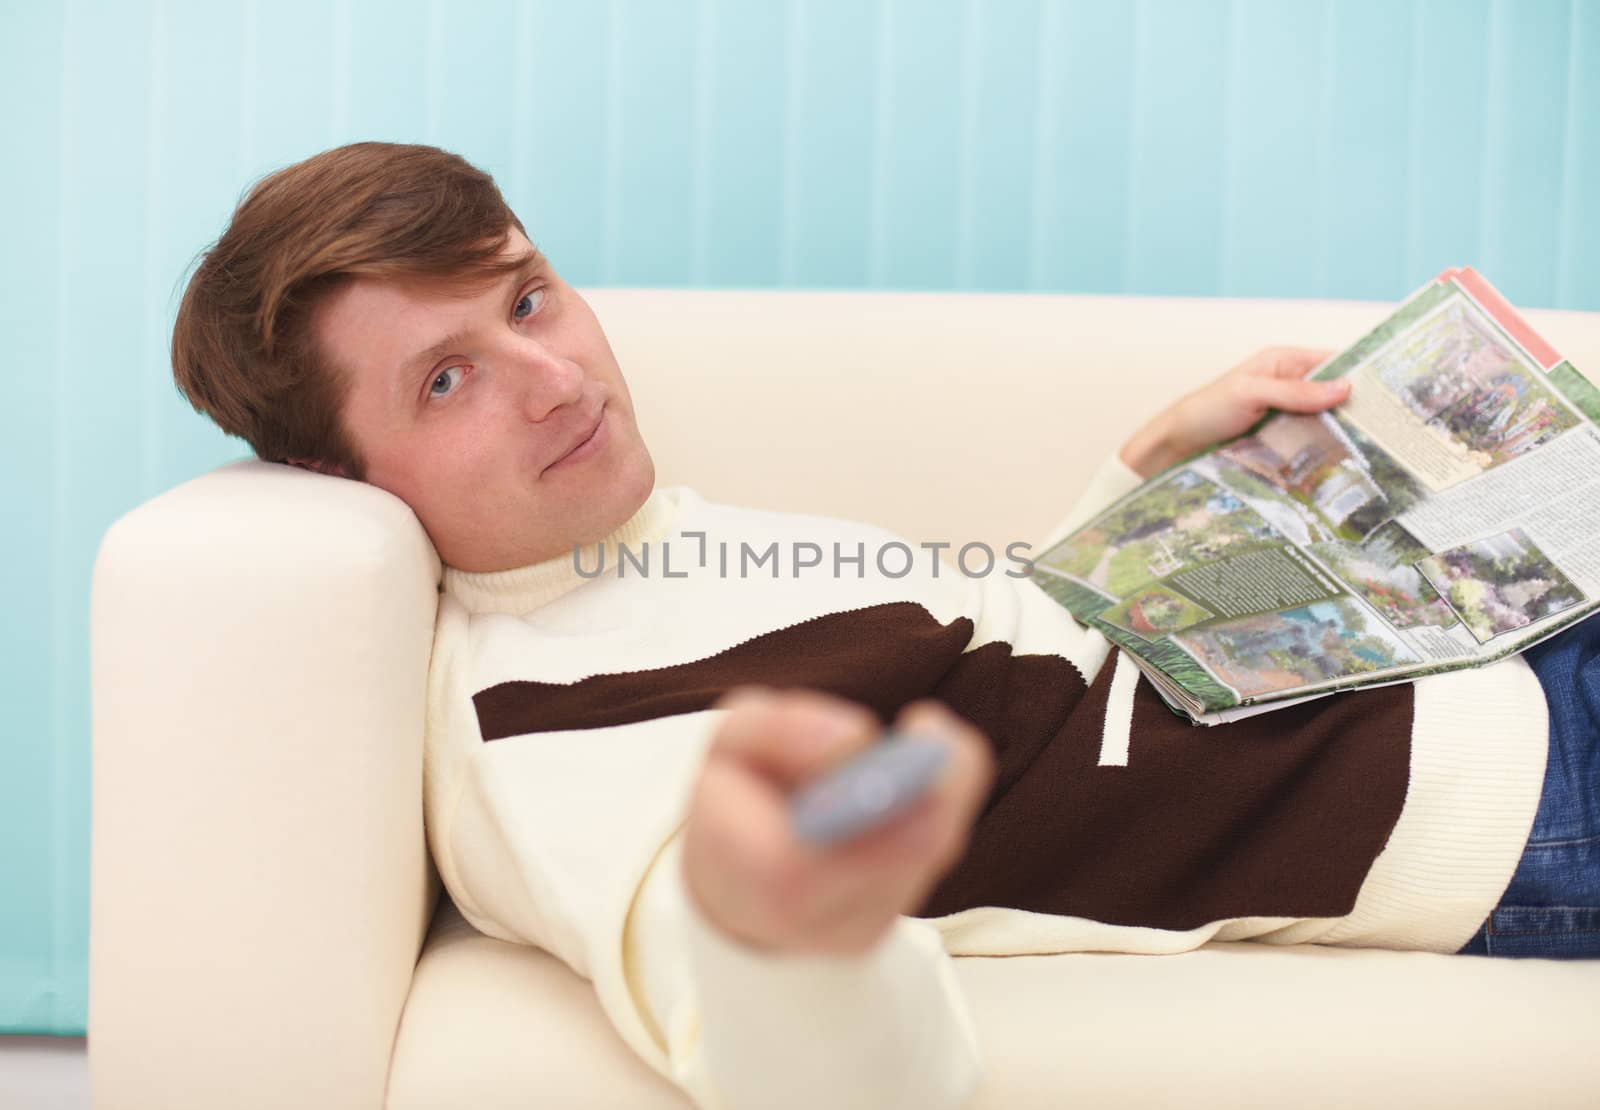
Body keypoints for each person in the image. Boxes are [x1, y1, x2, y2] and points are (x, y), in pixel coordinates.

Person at [170, 142, 1598, 1109]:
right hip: (1527, 798)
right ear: (336, 476)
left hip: (1468, 649)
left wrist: (1153, 467)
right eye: (444, 380)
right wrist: (791, 922)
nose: (554, 375)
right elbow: (826, 1047)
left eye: (531, 296)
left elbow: (1006, 663)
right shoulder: (545, 736)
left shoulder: (640, 535)